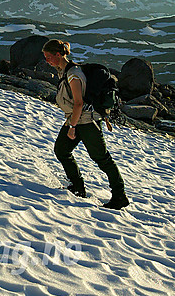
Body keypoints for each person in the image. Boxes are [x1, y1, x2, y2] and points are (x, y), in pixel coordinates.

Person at [42, 39, 129, 210]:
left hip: (87, 121)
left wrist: (72, 127)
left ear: (58, 55)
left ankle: (120, 196)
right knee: (62, 150)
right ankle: (77, 187)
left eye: (48, 57)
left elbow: (79, 103)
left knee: (102, 159)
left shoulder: (73, 74)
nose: (46, 61)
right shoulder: (64, 71)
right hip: (76, 119)